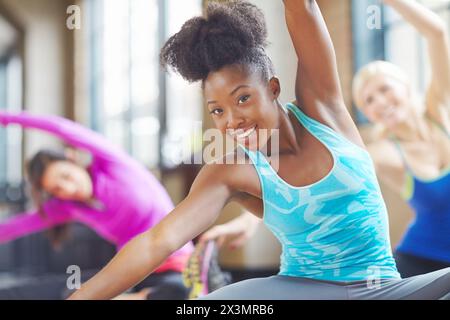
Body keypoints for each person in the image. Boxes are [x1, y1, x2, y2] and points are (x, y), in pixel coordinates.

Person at [68, 0, 450, 300]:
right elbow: (158, 241)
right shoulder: (230, 172)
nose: (231, 120)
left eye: (243, 98)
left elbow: (301, 6)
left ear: (273, 88)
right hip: (301, 290)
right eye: (217, 110)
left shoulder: (324, 109)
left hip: (383, 285)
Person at [0, 111, 194, 299]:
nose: (68, 189)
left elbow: (61, 127)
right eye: (57, 189)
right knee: (14, 294)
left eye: (66, 176)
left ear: (72, 158)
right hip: (129, 276)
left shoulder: (112, 162)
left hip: (174, 268)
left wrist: (6, 118)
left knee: (177, 292)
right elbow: (14, 227)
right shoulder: (69, 206)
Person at [352, 0, 450, 278]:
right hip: (420, 262)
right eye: (368, 100)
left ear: (405, 86)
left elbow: (437, 33)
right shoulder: (384, 152)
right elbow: (328, 169)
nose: (380, 101)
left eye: (384, 88)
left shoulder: (440, 114)